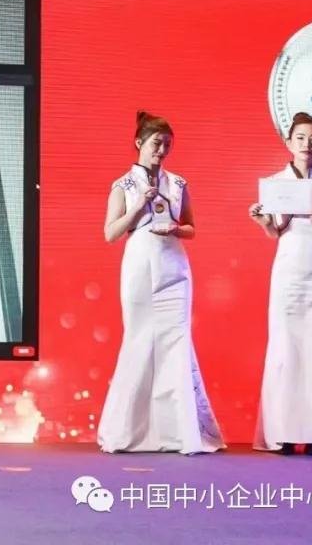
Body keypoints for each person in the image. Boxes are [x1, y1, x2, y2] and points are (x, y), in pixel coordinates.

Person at [96, 111, 224, 454]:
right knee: (139, 338)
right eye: (156, 143)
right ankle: (128, 430)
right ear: (139, 142)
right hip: (139, 265)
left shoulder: (178, 184)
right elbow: (110, 233)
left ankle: (181, 432)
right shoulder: (123, 185)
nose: (162, 150)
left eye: (167, 144)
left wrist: (176, 229)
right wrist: (137, 208)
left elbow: (191, 227)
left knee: (176, 340)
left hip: (173, 266)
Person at [249, 112, 312, 455]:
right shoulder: (276, 183)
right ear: (288, 142)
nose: (307, 144)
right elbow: (276, 231)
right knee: (286, 349)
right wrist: (263, 221)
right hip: (289, 272)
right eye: (300, 138)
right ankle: (285, 433)